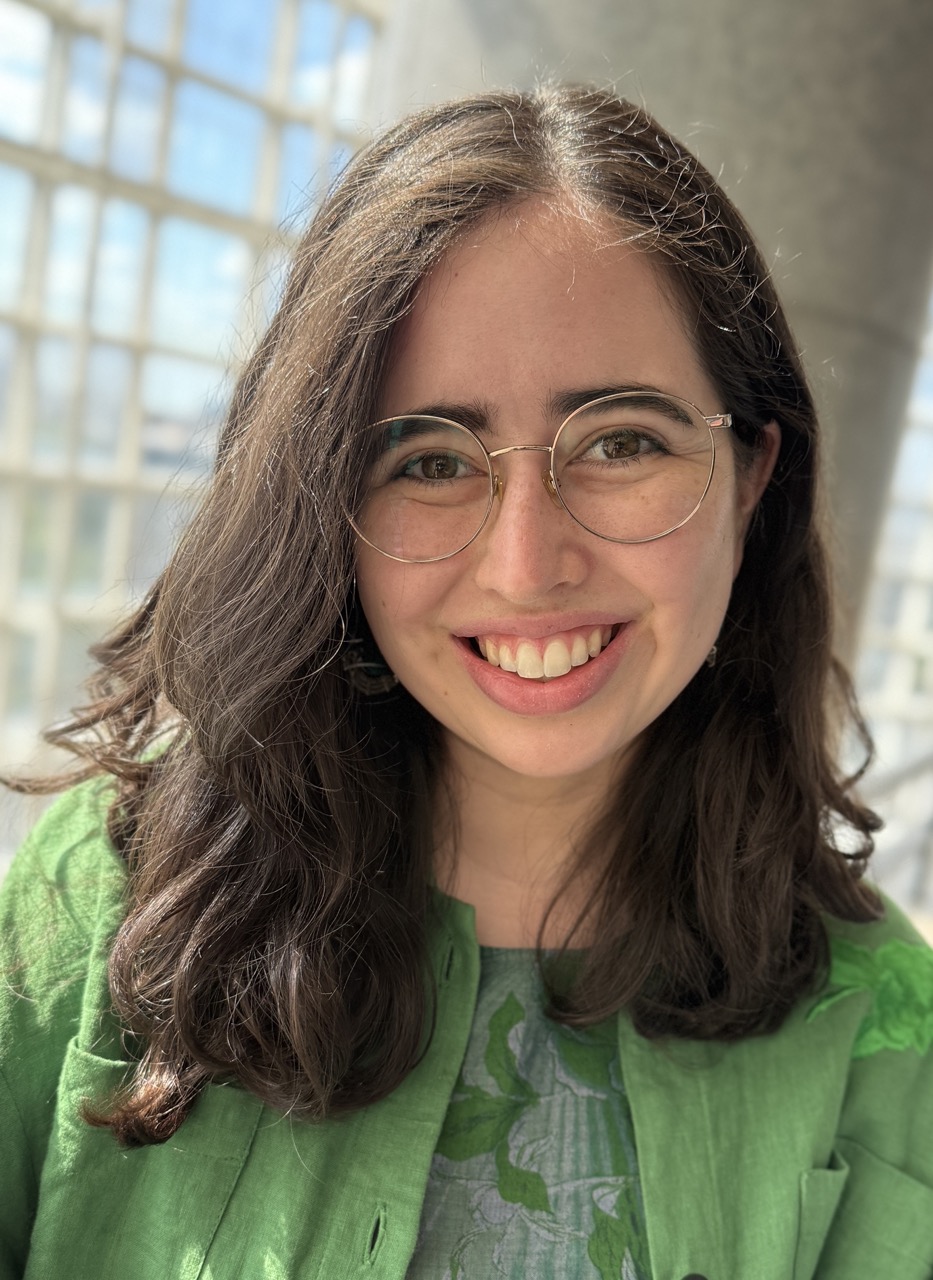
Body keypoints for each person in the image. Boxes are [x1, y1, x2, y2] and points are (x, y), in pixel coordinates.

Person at [2, 85, 932, 1280]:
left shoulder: (886, 1036)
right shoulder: (105, 907)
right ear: (325, 509)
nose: (527, 565)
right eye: (429, 459)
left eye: (622, 441)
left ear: (751, 476)